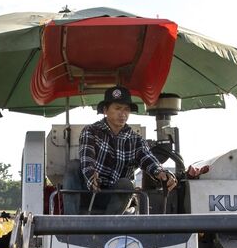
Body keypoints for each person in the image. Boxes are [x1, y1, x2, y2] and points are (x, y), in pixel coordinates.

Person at [70, 85, 177, 213]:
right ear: (105, 110)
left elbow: (147, 158)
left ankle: (109, 230)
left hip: (117, 197)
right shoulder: (91, 131)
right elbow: (87, 159)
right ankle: (69, 224)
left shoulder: (135, 139)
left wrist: (161, 173)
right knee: (73, 166)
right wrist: (92, 177)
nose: (123, 113)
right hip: (88, 192)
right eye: (117, 108)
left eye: (126, 109)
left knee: (126, 183)